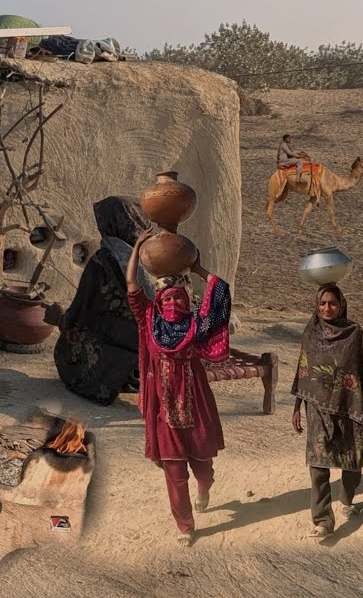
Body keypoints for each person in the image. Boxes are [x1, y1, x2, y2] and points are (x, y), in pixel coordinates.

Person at [126, 233, 232, 546]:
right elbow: (132, 285)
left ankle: (205, 488)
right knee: (175, 475)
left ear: (185, 301)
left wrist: (198, 269)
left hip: (195, 405)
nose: (172, 303)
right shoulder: (148, 319)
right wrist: (137, 249)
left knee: (203, 468)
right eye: (167, 299)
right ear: (159, 302)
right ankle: (185, 527)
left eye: (177, 299)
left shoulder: (196, 325)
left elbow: (220, 292)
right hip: (163, 410)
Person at [45, 196, 155, 406]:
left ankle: (117, 371)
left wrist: (57, 318)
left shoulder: (103, 262)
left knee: (68, 346)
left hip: (130, 368)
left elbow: (78, 317)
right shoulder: (159, 257)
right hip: (162, 357)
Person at [291, 284, 363, 540]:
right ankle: (322, 521)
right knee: (318, 465)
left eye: (332, 303)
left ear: (341, 305)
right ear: (316, 306)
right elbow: (303, 371)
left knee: (351, 461)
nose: (327, 308)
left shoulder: (354, 333)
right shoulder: (310, 333)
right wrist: (297, 407)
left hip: (348, 407)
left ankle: (348, 499)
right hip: (317, 409)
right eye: (322, 304)